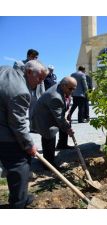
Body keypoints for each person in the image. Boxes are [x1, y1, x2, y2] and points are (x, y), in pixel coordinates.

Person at [0, 60, 48, 208]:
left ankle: (21, 196)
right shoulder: (21, 91)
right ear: (28, 72)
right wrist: (29, 145)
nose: (40, 83)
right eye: (39, 78)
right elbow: (18, 124)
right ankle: (18, 204)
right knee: (20, 164)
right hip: (4, 133)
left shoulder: (5, 70)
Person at [31, 77, 76, 169]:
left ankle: (58, 148)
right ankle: (48, 164)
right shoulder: (55, 96)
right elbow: (59, 118)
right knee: (49, 135)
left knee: (57, 130)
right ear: (64, 85)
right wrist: (68, 128)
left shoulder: (61, 87)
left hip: (49, 112)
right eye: (70, 89)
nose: (72, 91)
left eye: (74, 89)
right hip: (43, 118)